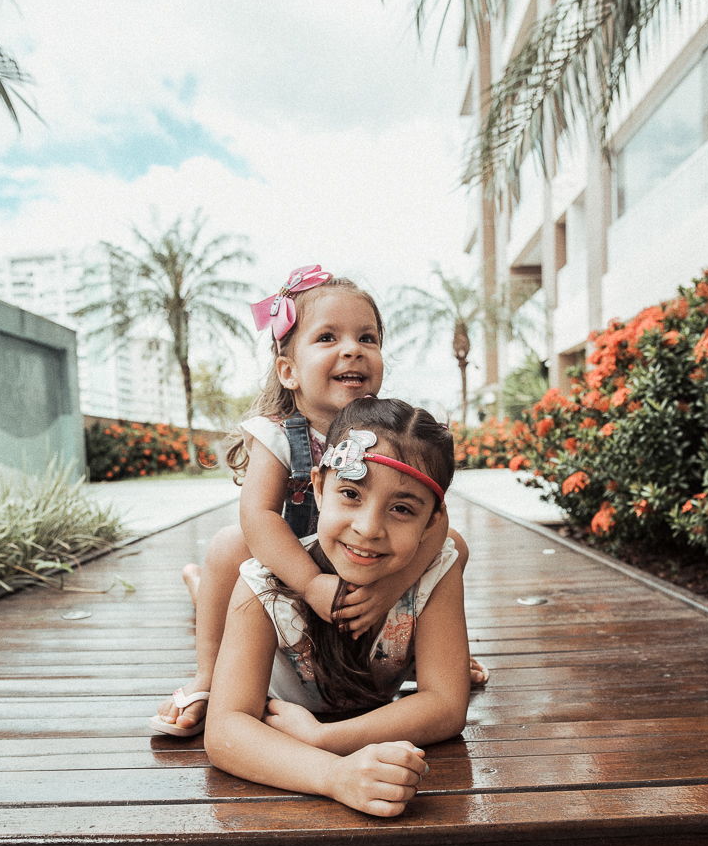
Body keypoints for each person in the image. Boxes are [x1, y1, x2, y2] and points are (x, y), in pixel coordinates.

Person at [149, 264, 485, 738]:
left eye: (367, 338)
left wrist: (392, 590)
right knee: (229, 547)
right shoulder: (278, 435)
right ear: (288, 370)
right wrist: (308, 583)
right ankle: (209, 669)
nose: (352, 348)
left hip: (365, 564)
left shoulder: (389, 436)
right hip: (294, 564)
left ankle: (432, 651)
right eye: (328, 338)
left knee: (453, 544)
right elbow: (260, 514)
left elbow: (437, 522)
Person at [205, 397, 471, 817]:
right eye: (350, 493)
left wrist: (324, 739)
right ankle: (197, 585)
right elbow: (224, 731)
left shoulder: (433, 577)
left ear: (432, 522)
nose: (368, 528)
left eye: (402, 509)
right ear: (318, 486)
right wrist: (334, 776)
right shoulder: (263, 584)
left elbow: (446, 705)